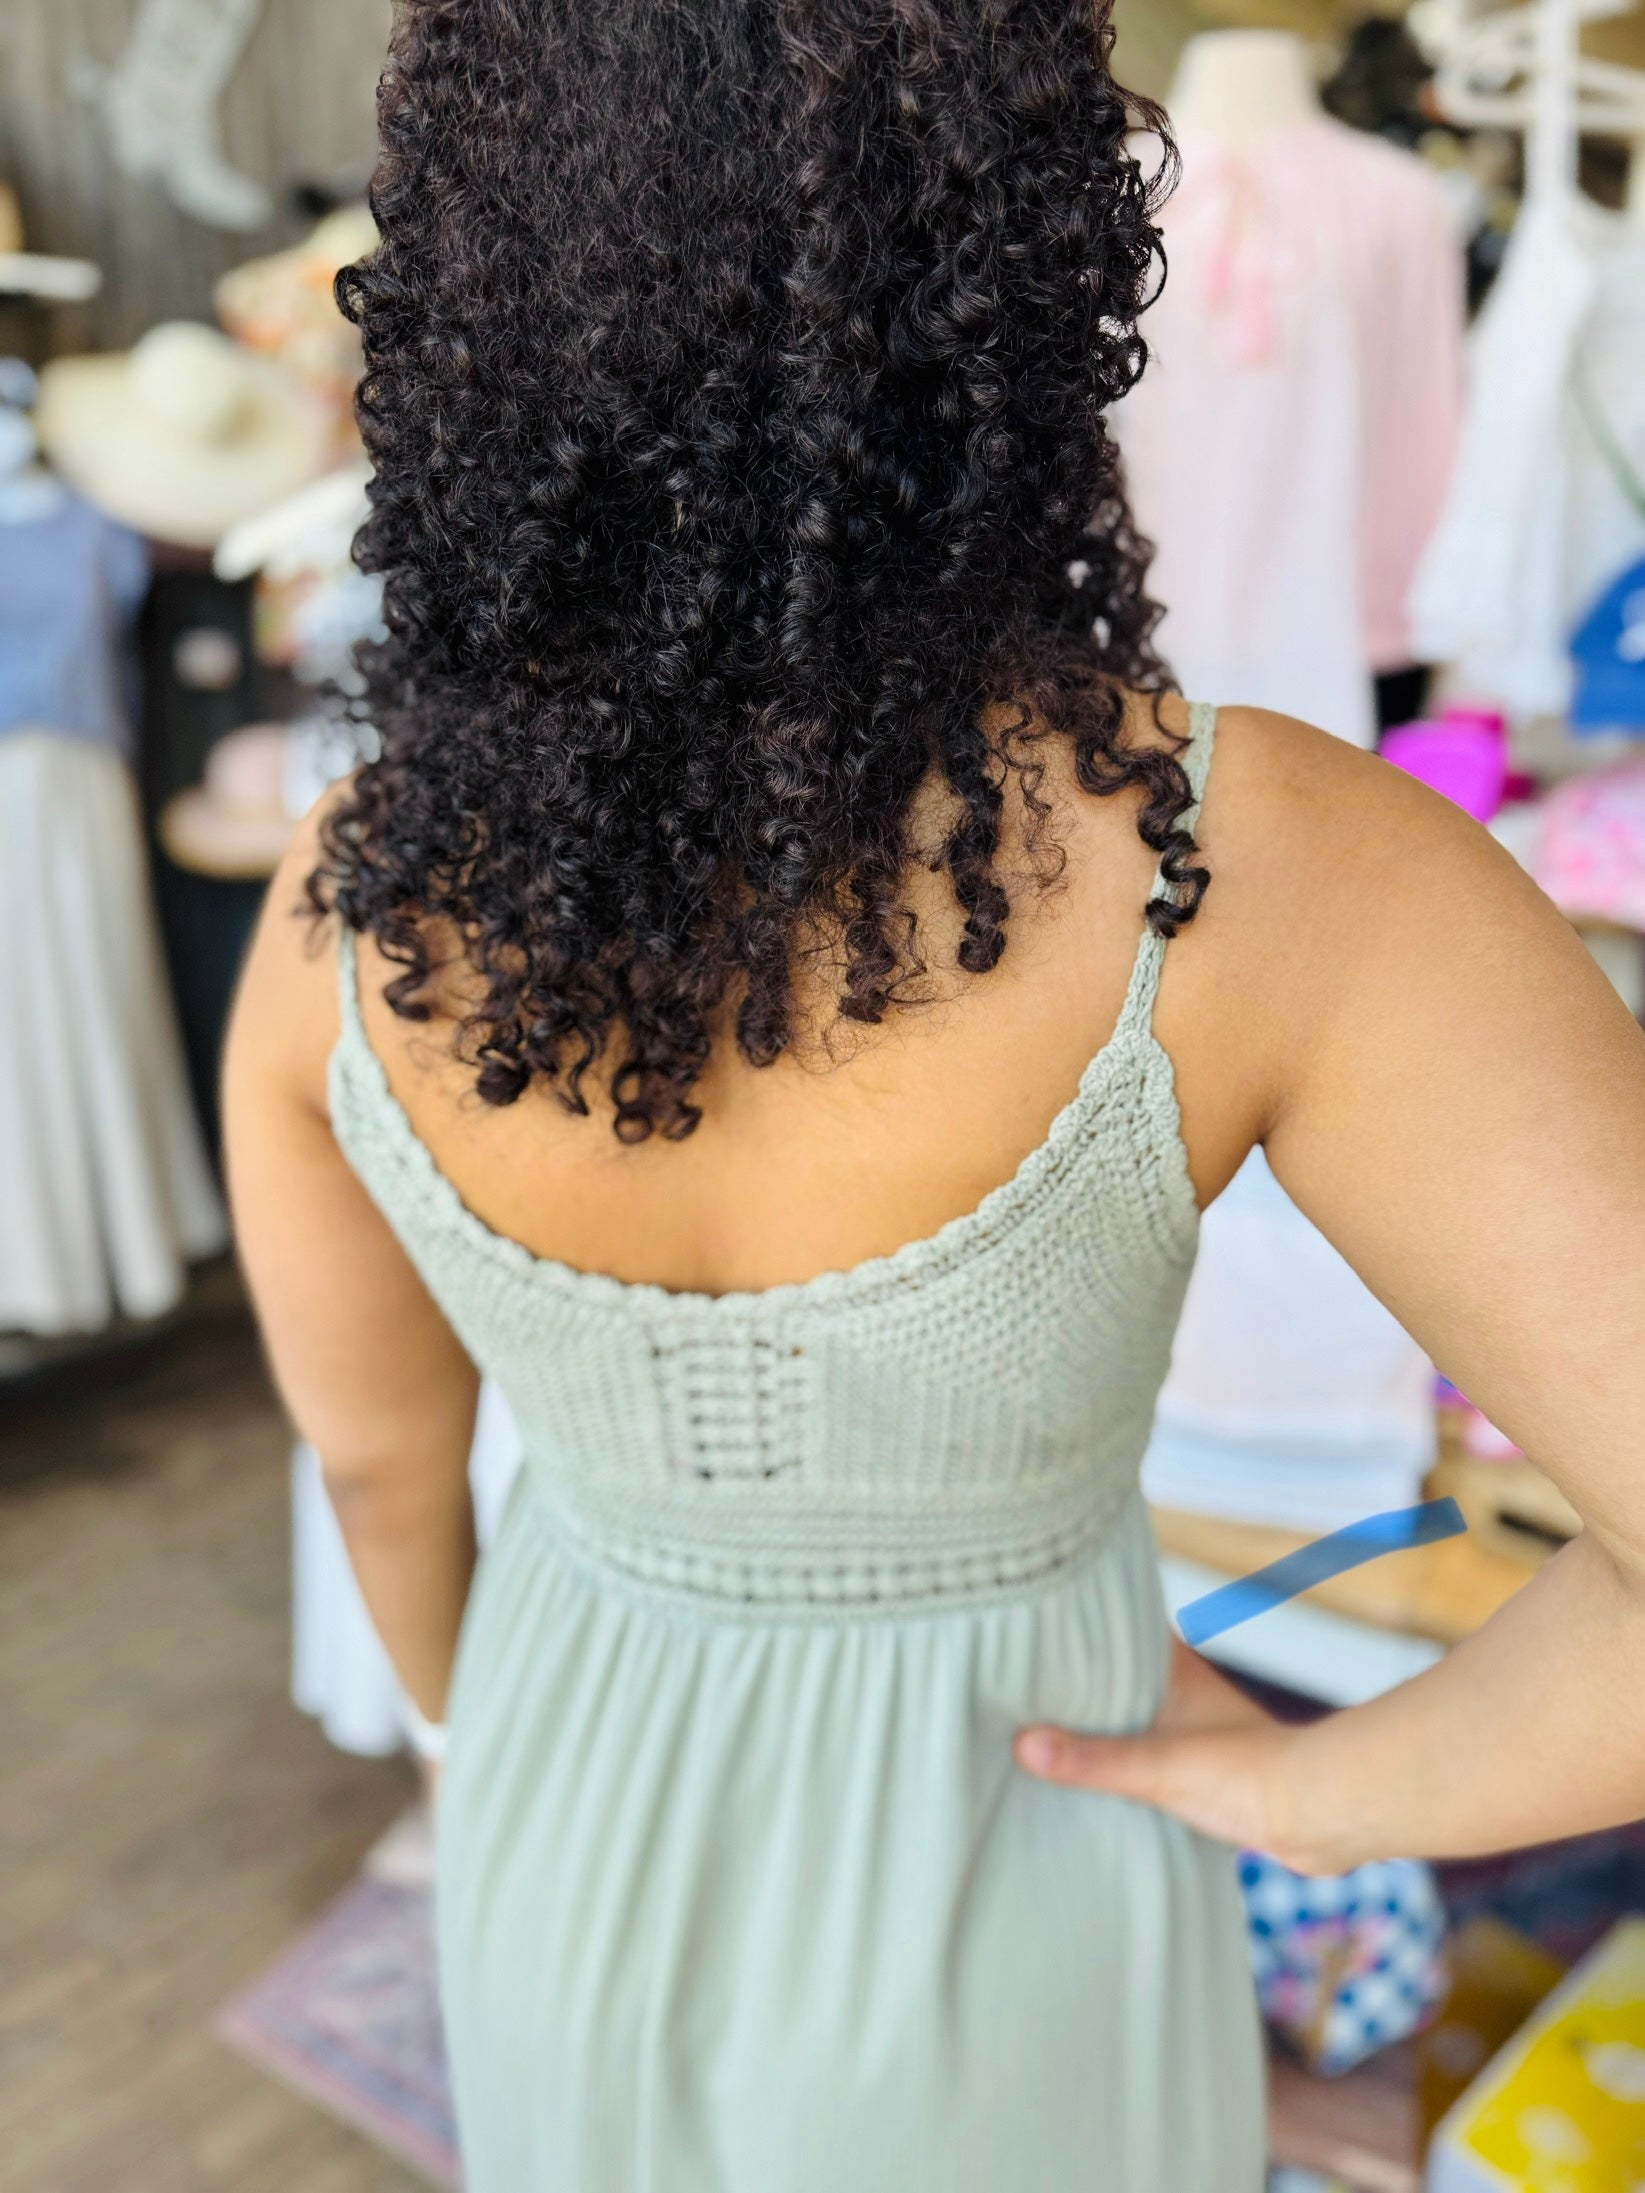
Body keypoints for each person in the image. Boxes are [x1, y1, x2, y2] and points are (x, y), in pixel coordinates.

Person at [222, 4, 1645, 2187]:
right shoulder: (1254, 866)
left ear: (469, 312)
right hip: (1028, 1849)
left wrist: (488, 1730)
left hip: (563, 1817)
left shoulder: (351, 897)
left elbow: (379, 1466)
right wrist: (1307, 1794)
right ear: (1039, 270)